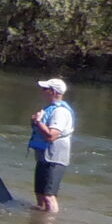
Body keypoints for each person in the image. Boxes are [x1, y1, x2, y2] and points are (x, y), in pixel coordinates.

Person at [28, 76, 76, 213]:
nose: (42, 91)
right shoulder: (50, 108)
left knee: (49, 196)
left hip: (55, 158)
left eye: (45, 89)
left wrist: (38, 122)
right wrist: (35, 122)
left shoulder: (60, 112)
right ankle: (38, 222)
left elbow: (51, 135)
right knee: (40, 194)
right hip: (44, 156)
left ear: (54, 92)